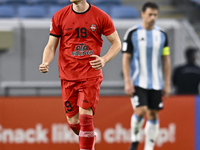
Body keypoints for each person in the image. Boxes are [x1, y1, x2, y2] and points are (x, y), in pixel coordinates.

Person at [39, 0, 121, 149]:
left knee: (85, 117)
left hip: (90, 75)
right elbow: (51, 46)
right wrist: (46, 62)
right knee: (74, 123)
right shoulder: (59, 16)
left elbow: (117, 42)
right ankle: (89, 136)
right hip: (67, 76)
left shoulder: (101, 16)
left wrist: (104, 59)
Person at [122, 2, 171, 150]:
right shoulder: (132, 33)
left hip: (156, 82)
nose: (152, 18)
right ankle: (135, 140)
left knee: (154, 115)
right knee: (141, 110)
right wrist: (127, 81)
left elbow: (166, 59)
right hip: (138, 81)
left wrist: (167, 83)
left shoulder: (161, 35)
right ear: (143, 14)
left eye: (155, 15)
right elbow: (126, 58)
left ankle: (149, 147)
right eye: (150, 14)